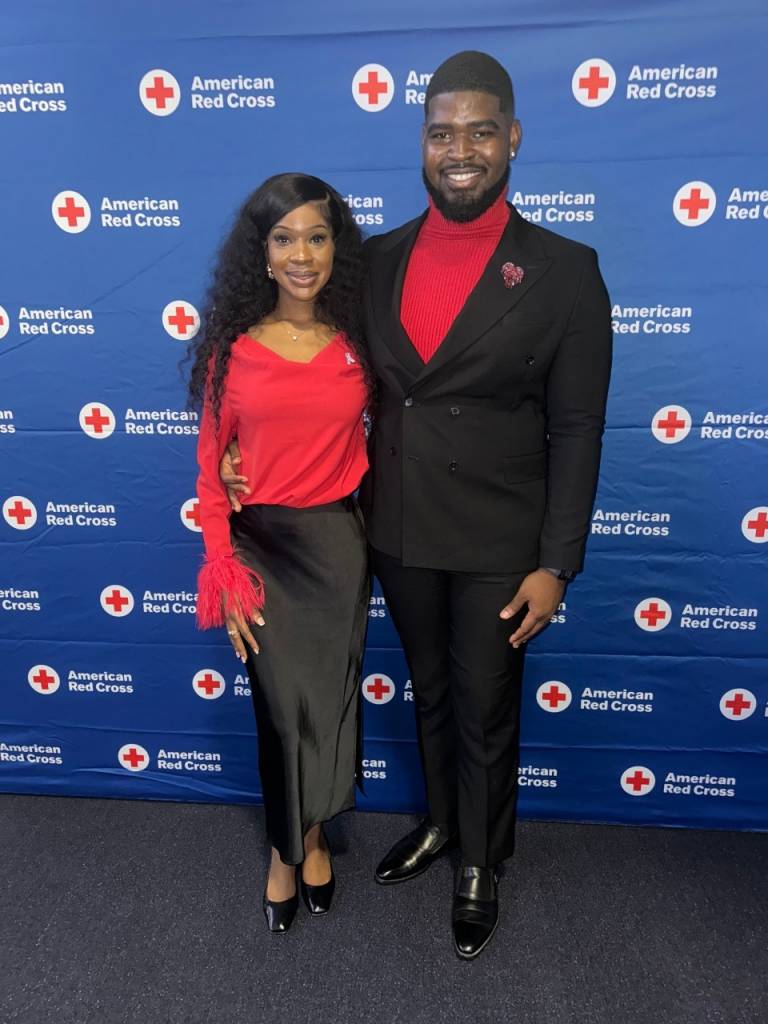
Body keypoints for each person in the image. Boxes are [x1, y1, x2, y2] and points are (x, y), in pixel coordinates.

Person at [222, 50, 612, 960]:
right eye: (442, 133)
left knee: (485, 701)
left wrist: (557, 562)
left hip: (500, 540)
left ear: (513, 139)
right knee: (430, 691)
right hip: (391, 529)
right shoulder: (376, 261)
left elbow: (578, 429)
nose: (460, 150)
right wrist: (246, 454)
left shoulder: (566, 271)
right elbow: (314, 373)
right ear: (423, 144)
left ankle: (480, 860)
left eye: (481, 132)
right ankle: (440, 821)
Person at [188, 173, 372, 934]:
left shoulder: (360, 342)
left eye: (317, 237)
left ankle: (316, 838)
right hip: (260, 553)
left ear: (335, 249)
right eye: (285, 238)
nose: (302, 254)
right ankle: (283, 851)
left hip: (337, 551)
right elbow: (211, 471)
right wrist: (223, 567)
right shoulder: (230, 353)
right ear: (261, 254)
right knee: (280, 715)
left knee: (329, 711)